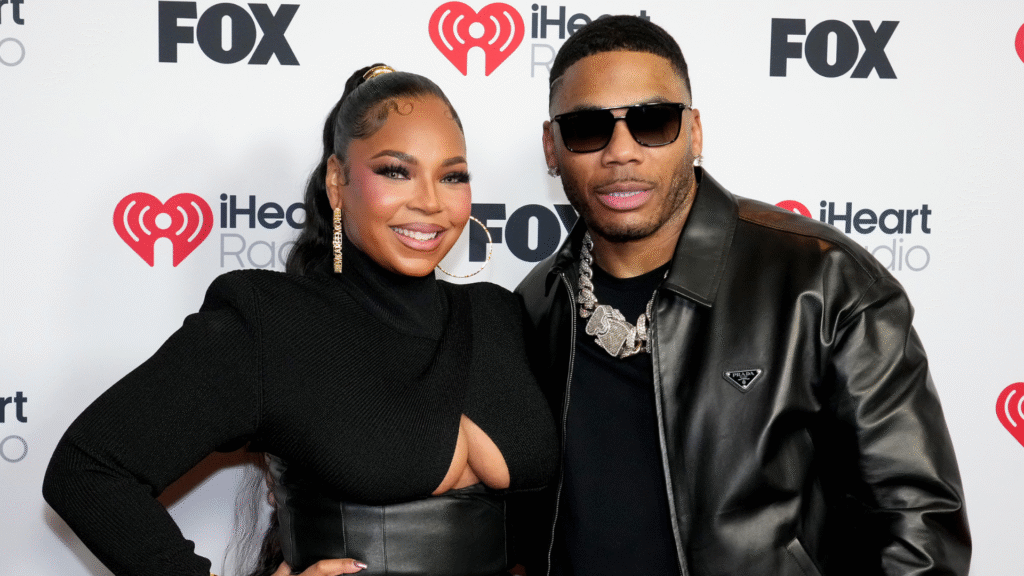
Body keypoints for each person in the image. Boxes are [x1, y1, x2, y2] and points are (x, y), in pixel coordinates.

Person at [43, 64, 557, 576]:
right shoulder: (270, 322)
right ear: (338, 181)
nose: (429, 201)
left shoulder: (499, 315)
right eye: (395, 171)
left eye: (452, 176)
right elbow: (88, 470)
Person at [514, 16, 970, 576]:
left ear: (695, 132)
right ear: (551, 147)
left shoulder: (823, 283)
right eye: (588, 128)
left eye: (652, 122)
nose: (621, 152)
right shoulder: (537, 303)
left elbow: (919, 527)